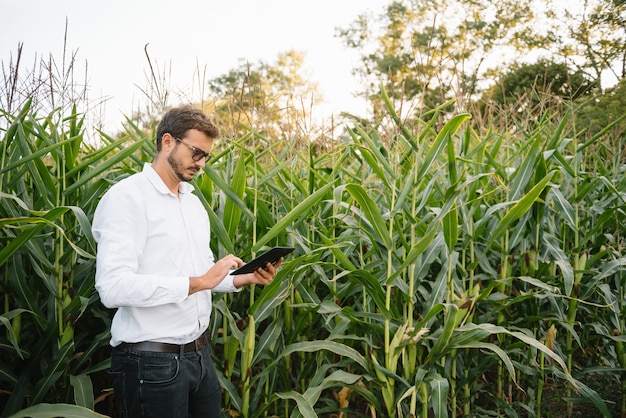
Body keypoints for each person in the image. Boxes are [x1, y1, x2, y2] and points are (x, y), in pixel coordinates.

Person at [92, 105, 282, 418]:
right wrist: (199, 283)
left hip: (198, 357)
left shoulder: (192, 204)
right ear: (168, 141)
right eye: (196, 153)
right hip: (151, 363)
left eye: (206, 156)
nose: (201, 164)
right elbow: (113, 288)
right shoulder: (127, 198)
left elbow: (203, 275)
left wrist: (240, 279)